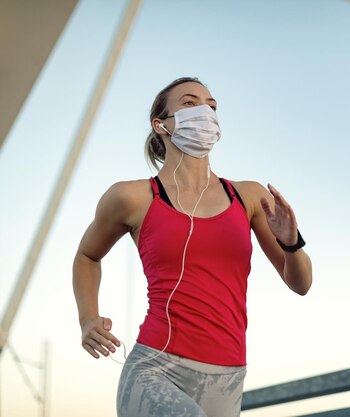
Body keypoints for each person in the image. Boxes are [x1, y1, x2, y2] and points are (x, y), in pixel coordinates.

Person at [72, 76, 313, 417]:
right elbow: (86, 256)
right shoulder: (132, 197)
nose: (205, 111)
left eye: (212, 106)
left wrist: (291, 243)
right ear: (161, 125)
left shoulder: (248, 196)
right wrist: (87, 318)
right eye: (189, 103)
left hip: (228, 376)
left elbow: (300, 284)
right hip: (156, 368)